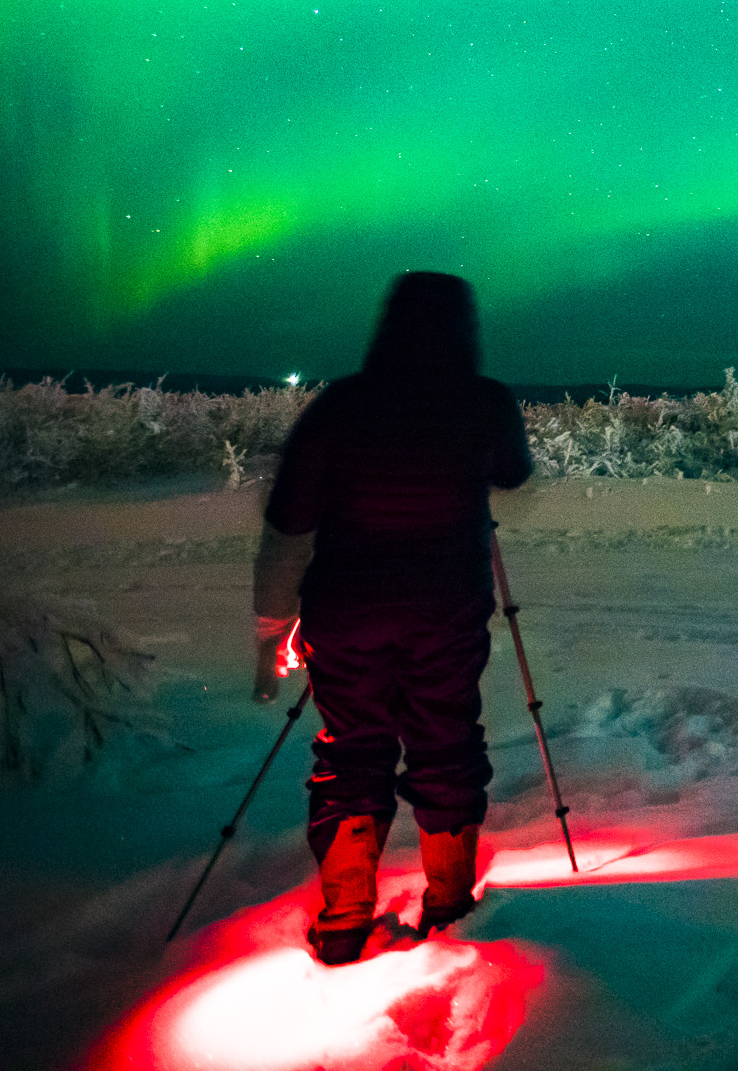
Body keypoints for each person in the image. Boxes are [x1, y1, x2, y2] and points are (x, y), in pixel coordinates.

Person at [251, 271, 533, 965]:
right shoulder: (483, 402)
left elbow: (288, 525)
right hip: (448, 609)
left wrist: (269, 632)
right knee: (446, 741)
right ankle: (449, 901)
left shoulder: (340, 407)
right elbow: (514, 475)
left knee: (352, 746)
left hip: (345, 610)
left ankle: (345, 914)